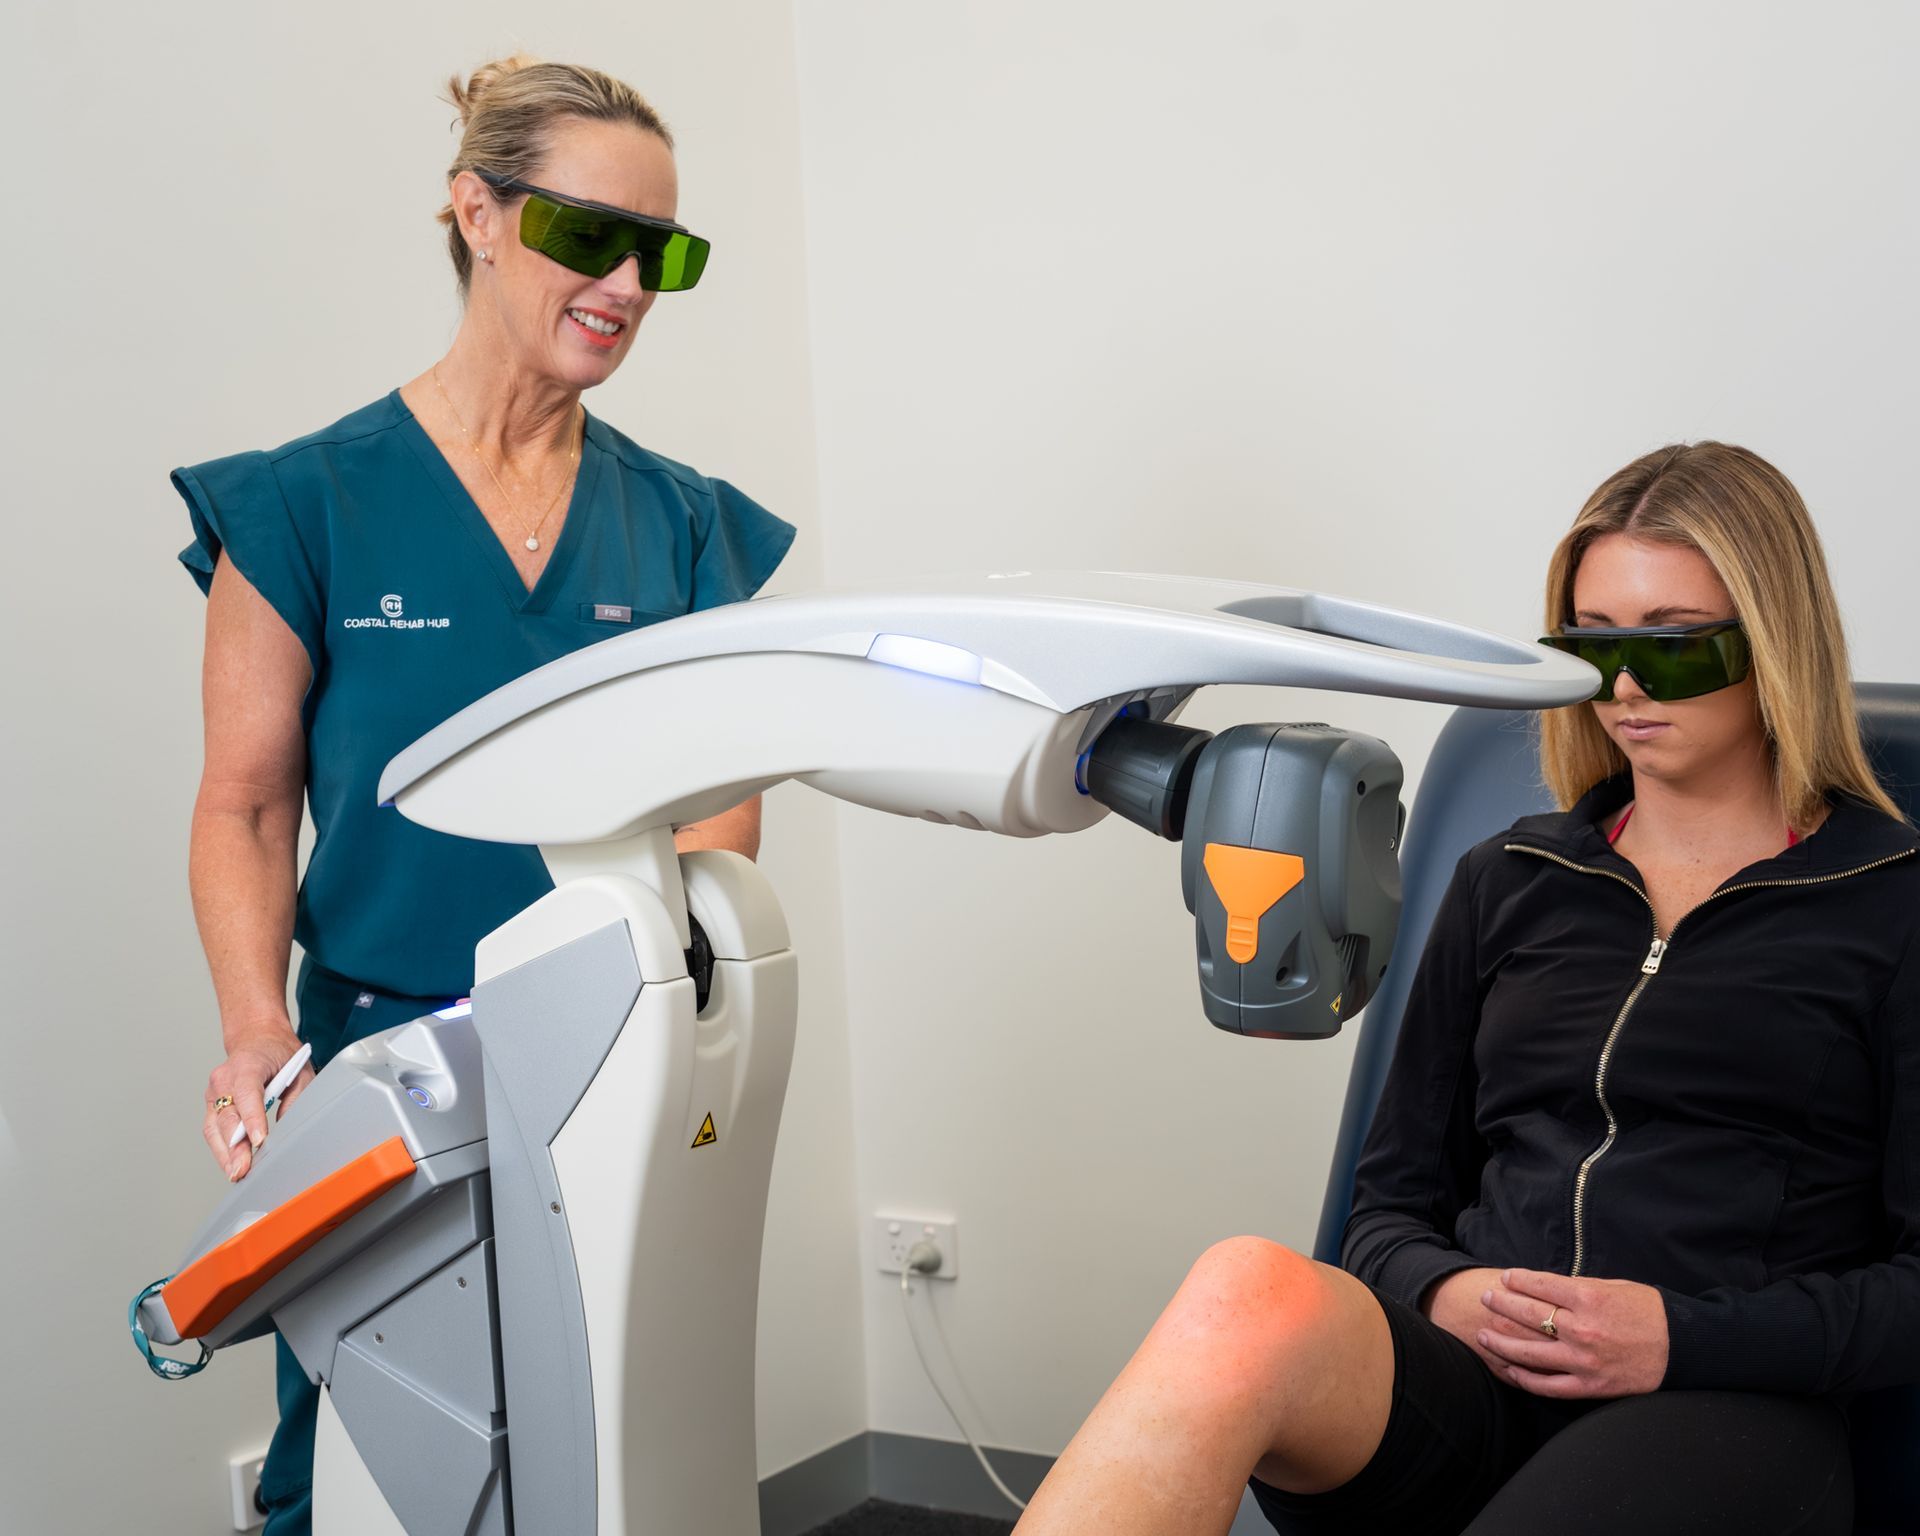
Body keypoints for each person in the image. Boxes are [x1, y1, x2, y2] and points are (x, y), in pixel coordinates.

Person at [1013, 443, 1919, 1536]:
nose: (1625, 689)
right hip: (1474, 1376)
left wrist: (1678, 1335)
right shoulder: (1512, 879)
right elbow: (1382, 1207)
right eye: (1593, 647)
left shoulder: (1888, 902)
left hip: (1723, 1403)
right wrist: (1448, 1293)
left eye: (1673, 650)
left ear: (1774, 642)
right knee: (1245, 1287)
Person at [175, 57, 794, 1535]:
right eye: (595, 236)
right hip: (386, 1066)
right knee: (372, 1453)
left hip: (609, 1052)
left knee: (611, 1451)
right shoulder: (308, 501)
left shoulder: (686, 520)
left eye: (667, 253)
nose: (633, 284)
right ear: (480, 213)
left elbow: (717, 816)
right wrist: (257, 1025)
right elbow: (246, 806)